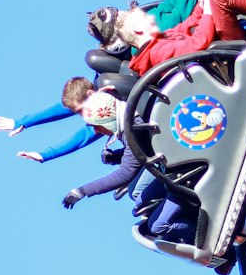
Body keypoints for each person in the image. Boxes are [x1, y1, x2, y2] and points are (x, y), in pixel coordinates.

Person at [61, 90, 197, 244]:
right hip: (172, 168)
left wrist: (82, 191)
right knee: (140, 200)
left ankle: (197, 229)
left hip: (183, 174)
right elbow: (142, 149)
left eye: (97, 126)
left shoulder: (132, 130)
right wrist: (117, 156)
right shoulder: (129, 120)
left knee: (157, 226)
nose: (97, 131)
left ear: (107, 119)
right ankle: (179, 215)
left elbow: (125, 174)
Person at [0, 77, 101, 163]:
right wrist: (23, 122)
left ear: (91, 94)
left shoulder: (111, 110)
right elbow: (73, 103)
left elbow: (86, 134)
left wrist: (48, 154)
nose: (83, 116)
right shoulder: (100, 83)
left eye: (82, 110)